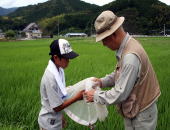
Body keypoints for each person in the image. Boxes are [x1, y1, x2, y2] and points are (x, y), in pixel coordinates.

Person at [84, 10, 161, 130]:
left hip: (142, 115)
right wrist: (101, 82)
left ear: (113, 34)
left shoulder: (130, 56)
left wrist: (95, 95)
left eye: (104, 40)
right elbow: (121, 74)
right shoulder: (128, 45)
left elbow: (120, 93)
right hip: (135, 109)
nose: (104, 44)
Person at [38, 39, 84, 130]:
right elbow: (56, 107)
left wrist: (61, 117)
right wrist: (77, 97)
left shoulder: (59, 70)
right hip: (49, 123)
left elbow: (59, 97)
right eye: (66, 58)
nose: (68, 61)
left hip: (56, 119)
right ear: (55, 57)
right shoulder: (50, 78)